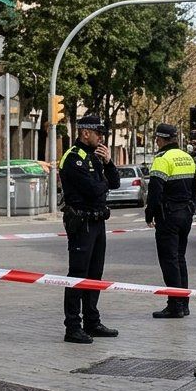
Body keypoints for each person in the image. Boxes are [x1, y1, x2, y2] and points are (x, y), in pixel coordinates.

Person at [58, 114, 121, 344]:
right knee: (77, 275)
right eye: (99, 133)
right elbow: (94, 190)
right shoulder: (73, 158)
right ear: (86, 133)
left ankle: (92, 322)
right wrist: (101, 185)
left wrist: (109, 163)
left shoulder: (95, 157)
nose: (101, 138)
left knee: (95, 275)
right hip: (81, 223)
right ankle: (72, 327)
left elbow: (113, 183)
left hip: (97, 222)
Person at [146, 123, 196, 319]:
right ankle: (183, 303)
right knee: (180, 258)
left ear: (160, 139)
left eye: (157, 139)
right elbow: (195, 187)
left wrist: (150, 214)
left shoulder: (162, 159)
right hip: (185, 214)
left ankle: (174, 304)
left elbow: (155, 191)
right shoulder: (188, 158)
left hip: (168, 216)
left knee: (169, 261)